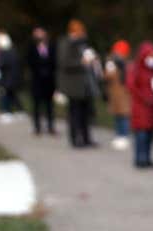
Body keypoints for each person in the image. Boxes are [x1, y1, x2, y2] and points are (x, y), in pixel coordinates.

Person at [57, 20, 97, 148]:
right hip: (73, 85)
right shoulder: (66, 43)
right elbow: (64, 63)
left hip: (85, 84)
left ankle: (86, 138)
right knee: (75, 113)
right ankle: (75, 139)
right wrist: (81, 62)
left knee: (85, 113)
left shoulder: (83, 44)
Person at [126, 41, 153, 169]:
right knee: (141, 135)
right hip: (141, 108)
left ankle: (148, 158)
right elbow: (131, 86)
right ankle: (140, 159)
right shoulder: (136, 69)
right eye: (151, 55)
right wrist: (144, 98)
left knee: (151, 134)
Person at [26, 27, 57, 135]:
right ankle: (37, 127)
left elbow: (55, 61)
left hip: (49, 81)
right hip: (37, 81)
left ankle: (51, 127)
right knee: (36, 106)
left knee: (49, 106)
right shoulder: (31, 48)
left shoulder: (51, 47)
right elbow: (29, 62)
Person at [102, 40, 132, 150]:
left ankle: (122, 136)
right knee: (121, 115)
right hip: (120, 93)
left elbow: (106, 76)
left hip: (120, 93)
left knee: (122, 115)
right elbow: (107, 76)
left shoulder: (113, 62)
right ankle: (121, 136)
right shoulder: (121, 62)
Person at [0, 32, 23, 119]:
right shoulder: (13, 51)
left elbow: (1, 64)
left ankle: (7, 112)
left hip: (8, 78)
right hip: (12, 78)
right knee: (12, 95)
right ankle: (20, 110)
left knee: (6, 95)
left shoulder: (5, 52)